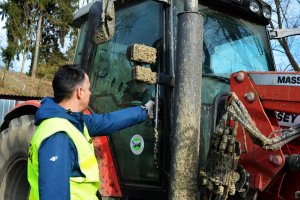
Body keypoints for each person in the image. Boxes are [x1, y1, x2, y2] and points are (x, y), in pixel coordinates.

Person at [27, 64, 155, 200]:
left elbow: (107, 121)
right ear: (80, 92)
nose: (90, 93)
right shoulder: (58, 136)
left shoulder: (73, 121)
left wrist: (144, 110)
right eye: (88, 89)